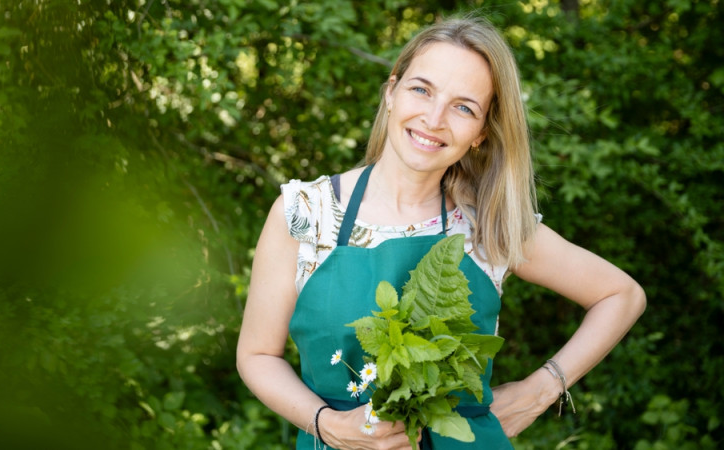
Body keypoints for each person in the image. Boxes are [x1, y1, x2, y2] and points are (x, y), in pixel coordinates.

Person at [236, 15, 646, 450]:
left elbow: (621, 295)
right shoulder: (305, 214)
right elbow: (257, 356)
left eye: (463, 107)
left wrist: (539, 391)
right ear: (391, 92)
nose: (433, 118)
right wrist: (327, 425)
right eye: (421, 90)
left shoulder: (487, 222)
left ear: (480, 134)